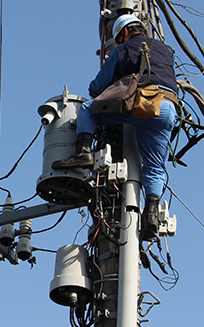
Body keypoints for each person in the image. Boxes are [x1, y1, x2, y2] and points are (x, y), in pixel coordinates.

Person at [52, 14, 178, 239]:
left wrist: (100, 90)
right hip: (167, 109)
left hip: (142, 103)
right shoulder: (165, 49)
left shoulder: (124, 49)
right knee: (155, 167)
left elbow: (98, 85)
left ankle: (83, 153)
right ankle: (150, 213)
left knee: (89, 109)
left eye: (120, 38)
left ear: (125, 32)